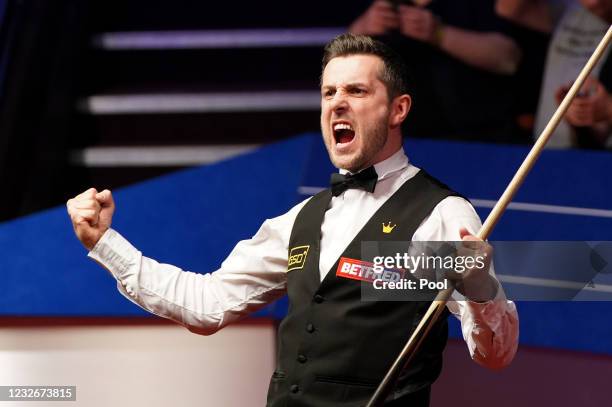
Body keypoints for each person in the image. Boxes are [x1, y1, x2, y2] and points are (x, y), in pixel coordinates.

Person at [67, 34, 519, 406]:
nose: (338, 103)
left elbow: (496, 356)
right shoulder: (303, 218)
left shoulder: (441, 213)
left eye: (357, 91)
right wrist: (105, 243)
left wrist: (479, 289)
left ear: (398, 109)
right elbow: (207, 304)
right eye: (329, 92)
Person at [349, 0, 524, 143]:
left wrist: (439, 34)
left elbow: (508, 59)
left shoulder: (473, 6)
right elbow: (339, 68)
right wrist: (361, 28)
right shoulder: (381, 7)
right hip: (399, 145)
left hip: (478, 143)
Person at [496, 0, 612, 148]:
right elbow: (507, 8)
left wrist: (608, 108)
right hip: (548, 146)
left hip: (602, 155)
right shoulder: (568, 9)